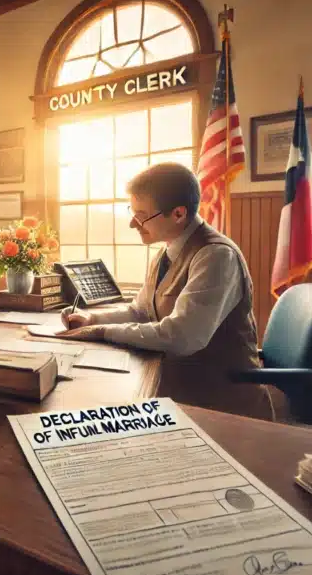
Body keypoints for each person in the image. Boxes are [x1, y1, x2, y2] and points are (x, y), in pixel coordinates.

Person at [58, 162, 286, 422]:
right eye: (132, 213)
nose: (133, 223)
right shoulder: (165, 253)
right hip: (176, 385)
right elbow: (140, 311)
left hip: (219, 403)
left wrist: (102, 333)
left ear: (178, 214)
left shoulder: (216, 256)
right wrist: (92, 320)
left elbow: (182, 337)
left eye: (142, 215)